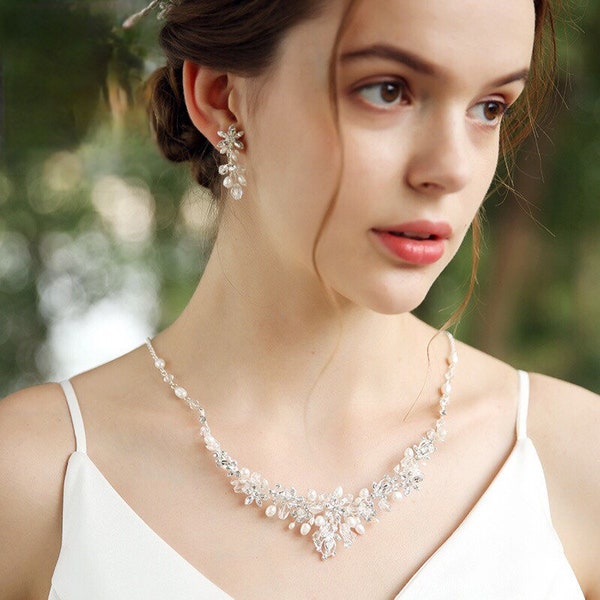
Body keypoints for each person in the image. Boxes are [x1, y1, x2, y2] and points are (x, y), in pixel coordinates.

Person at [1, 0, 598, 598]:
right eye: (387, 91)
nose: (450, 167)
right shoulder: (31, 480)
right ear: (220, 97)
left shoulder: (576, 460)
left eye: (489, 108)